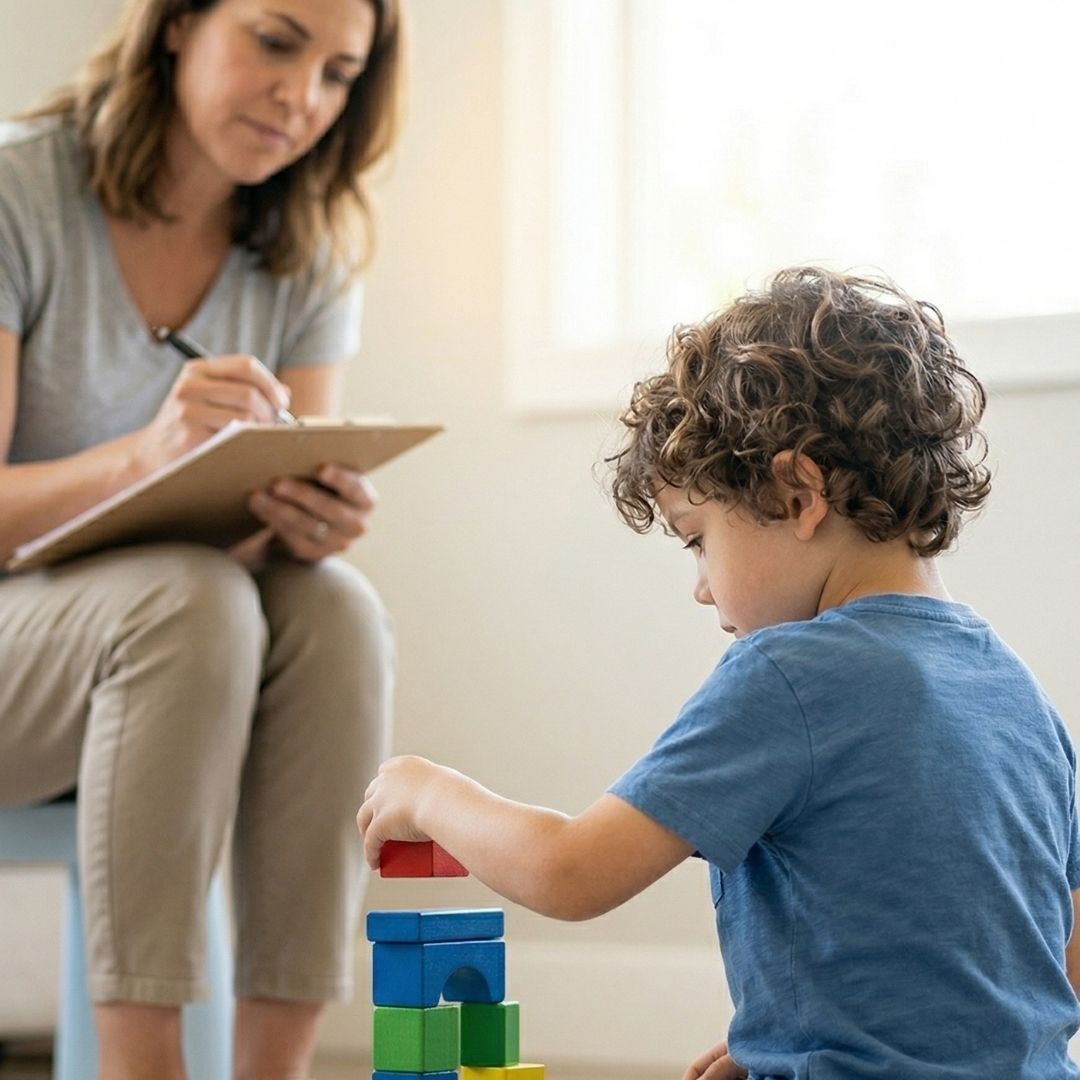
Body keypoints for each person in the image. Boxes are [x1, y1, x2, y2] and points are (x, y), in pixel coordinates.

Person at [358, 267, 1080, 1080]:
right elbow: (1049, 947)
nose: (701, 585)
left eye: (697, 536)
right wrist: (793, 1037)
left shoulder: (787, 674)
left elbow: (571, 872)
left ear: (800, 492)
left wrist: (430, 789)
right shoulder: (1014, 690)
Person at [0, 0, 405, 1076]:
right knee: (186, 598)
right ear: (176, 23)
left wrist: (307, 523)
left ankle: (273, 1070)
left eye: (337, 75)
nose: (302, 98)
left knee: (336, 610)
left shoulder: (311, 250)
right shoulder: (17, 192)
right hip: (26, 658)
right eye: (276, 41)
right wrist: (146, 453)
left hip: (165, 650)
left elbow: (268, 530)